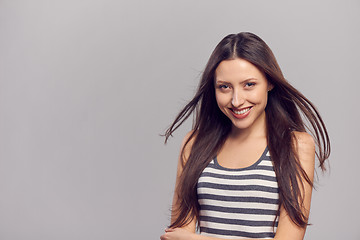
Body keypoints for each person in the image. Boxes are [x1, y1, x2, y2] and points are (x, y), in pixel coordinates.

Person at [160, 32, 330, 240]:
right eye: (224, 87)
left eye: (249, 84)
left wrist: (197, 239)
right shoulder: (194, 144)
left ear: (269, 82)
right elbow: (176, 236)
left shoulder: (296, 146)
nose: (236, 100)